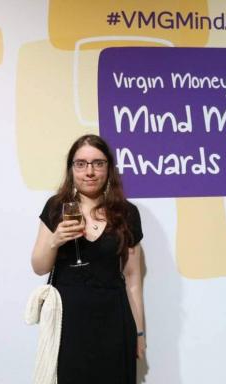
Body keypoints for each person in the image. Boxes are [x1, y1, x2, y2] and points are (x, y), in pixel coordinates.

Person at [31, 134, 145, 384]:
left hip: (115, 321)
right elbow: (39, 267)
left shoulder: (127, 213)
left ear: (109, 168)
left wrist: (139, 333)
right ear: (71, 169)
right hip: (68, 324)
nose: (89, 171)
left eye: (98, 163)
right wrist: (55, 240)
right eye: (81, 163)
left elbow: (133, 279)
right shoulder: (57, 206)